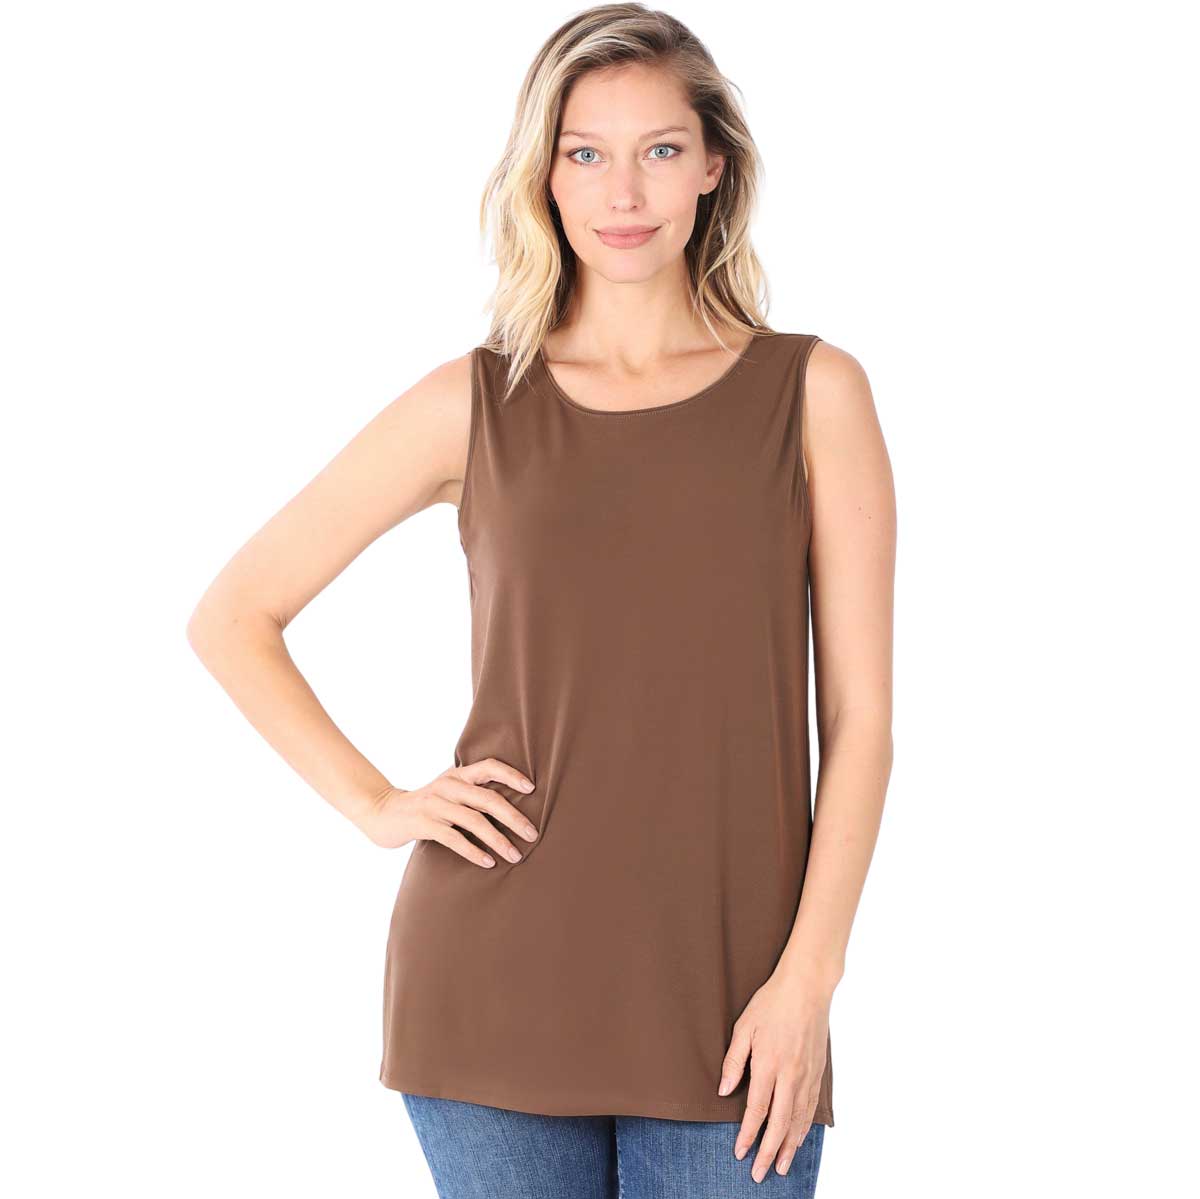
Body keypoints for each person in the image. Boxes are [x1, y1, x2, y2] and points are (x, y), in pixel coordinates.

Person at [186, 5, 895, 1196]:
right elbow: (234, 614)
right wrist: (378, 803)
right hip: (491, 985)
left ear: (714, 165)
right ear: (545, 175)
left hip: (738, 999)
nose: (624, 191)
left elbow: (861, 723)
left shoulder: (813, 393)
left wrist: (809, 979)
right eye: (585, 152)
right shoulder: (475, 402)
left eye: (660, 149)